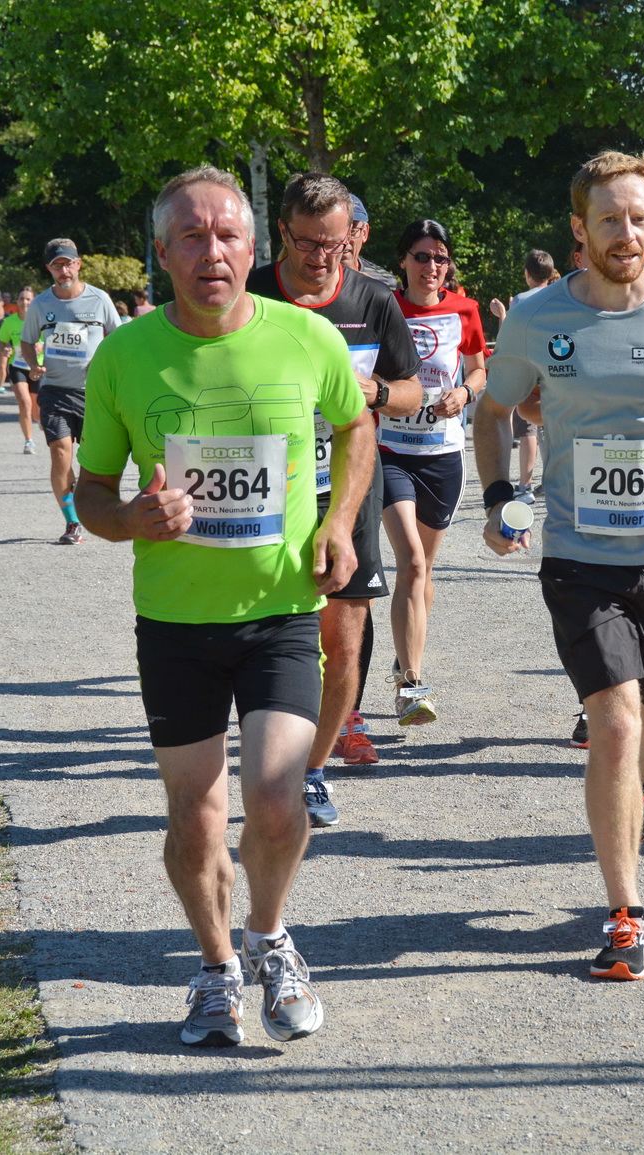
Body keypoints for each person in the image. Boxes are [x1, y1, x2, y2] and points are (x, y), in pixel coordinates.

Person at [74, 164, 370, 1047]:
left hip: (278, 608)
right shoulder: (123, 356)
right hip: (175, 622)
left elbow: (357, 424)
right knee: (196, 817)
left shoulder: (304, 338)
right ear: (162, 252)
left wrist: (340, 522)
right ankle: (214, 968)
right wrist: (128, 517)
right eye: (193, 237)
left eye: (228, 235)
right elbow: (91, 491)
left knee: (278, 802)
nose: (214, 251)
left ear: (255, 247)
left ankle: (270, 936)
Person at [477, 150, 644, 980]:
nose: (626, 234)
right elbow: (494, 408)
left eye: (638, 218)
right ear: (578, 229)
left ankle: (639, 786)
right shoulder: (535, 315)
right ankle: (624, 913)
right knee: (617, 724)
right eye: (608, 220)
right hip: (583, 560)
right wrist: (496, 498)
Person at [247, 171, 425, 822]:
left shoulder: (373, 298)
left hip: (346, 482)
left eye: (336, 243)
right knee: (260, 634)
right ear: (283, 234)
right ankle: (266, 757)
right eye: (308, 244)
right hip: (264, 488)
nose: (324, 257)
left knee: (343, 642)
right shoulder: (252, 292)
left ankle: (314, 769)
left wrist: (369, 392)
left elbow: (411, 390)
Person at [380, 219, 487, 725]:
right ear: (403, 261)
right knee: (412, 564)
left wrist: (464, 394)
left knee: (424, 570)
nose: (431, 267)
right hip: (390, 452)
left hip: (443, 456)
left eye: (440, 258)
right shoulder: (384, 307)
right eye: (421, 257)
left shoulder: (465, 309)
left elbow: (478, 367)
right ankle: (412, 685)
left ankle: (406, 655)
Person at [20, 239, 123, 544]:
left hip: (93, 394)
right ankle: (72, 522)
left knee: (90, 460)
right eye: (57, 265)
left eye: (68, 264)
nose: (63, 270)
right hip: (54, 390)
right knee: (60, 451)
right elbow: (27, 342)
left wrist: (108, 368)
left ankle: (94, 508)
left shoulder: (99, 299)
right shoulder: (41, 304)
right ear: (49, 269)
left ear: (78, 264)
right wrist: (33, 365)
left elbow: (118, 340)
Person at [488, 248, 559, 503]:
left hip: (530, 372)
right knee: (554, 428)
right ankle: (554, 479)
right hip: (558, 369)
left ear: (527, 274)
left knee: (527, 427)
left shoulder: (520, 300)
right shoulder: (562, 296)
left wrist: (502, 315)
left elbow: (512, 336)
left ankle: (525, 484)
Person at [0, 286, 40, 454]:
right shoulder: (10, 322)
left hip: (37, 368)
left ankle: (39, 421)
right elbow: (1, 342)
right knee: (25, 403)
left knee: (37, 411)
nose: (25, 302)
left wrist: (41, 346)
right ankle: (28, 441)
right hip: (18, 367)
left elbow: (49, 341)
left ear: (33, 301)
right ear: (17, 302)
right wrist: (3, 350)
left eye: (28, 299)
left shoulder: (40, 321)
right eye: (22, 299)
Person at [343, 194, 398, 290]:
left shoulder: (385, 282)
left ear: (364, 233)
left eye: (353, 231)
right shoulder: (313, 278)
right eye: (339, 231)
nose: (345, 239)